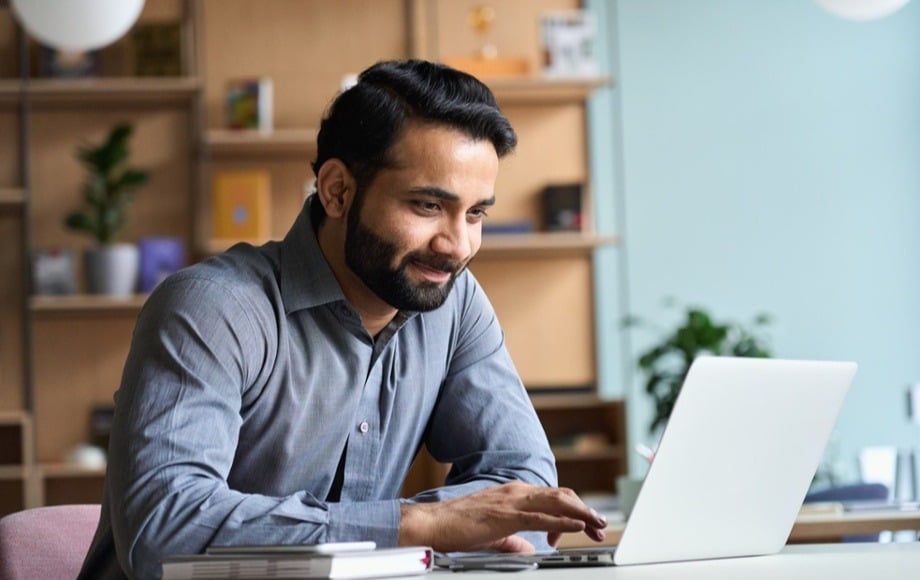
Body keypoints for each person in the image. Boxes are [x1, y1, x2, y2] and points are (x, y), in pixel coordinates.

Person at [79, 59, 607, 579]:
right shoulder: (212, 308)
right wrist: (419, 524)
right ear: (337, 191)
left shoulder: (455, 301)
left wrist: (442, 526)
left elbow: (525, 480)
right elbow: (164, 530)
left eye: (476, 214)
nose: (457, 246)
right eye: (427, 206)